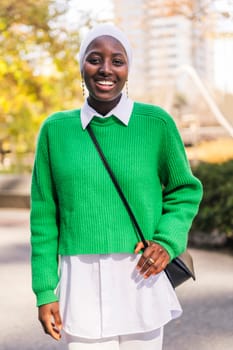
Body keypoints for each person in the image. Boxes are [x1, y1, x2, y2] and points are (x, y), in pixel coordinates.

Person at [30, 23, 203, 350]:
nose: (105, 69)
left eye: (117, 60)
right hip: (79, 284)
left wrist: (167, 241)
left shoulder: (157, 124)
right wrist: (44, 291)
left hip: (141, 278)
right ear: (82, 65)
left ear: (128, 69)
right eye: (95, 59)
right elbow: (43, 218)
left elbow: (184, 191)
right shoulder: (55, 131)